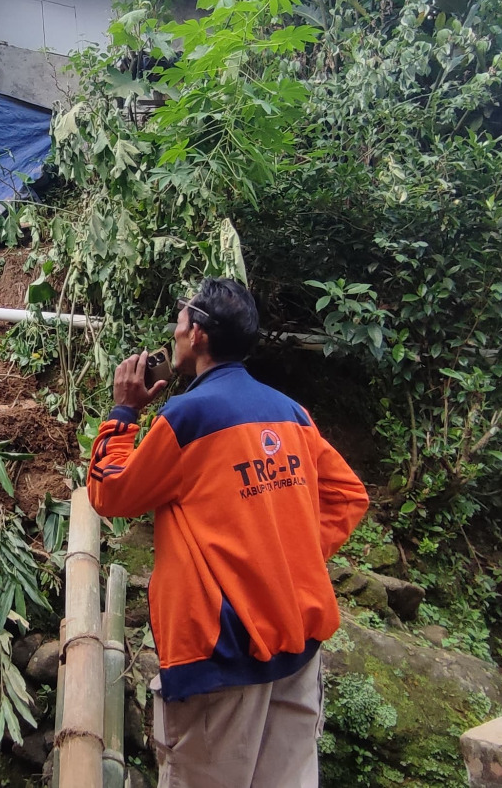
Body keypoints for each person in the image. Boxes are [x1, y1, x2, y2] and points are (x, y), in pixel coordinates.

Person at [87, 278, 369, 788]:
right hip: (298, 650)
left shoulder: (189, 417)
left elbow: (112, 493)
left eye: (178, 320)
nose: (172, 332)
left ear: (196, 334)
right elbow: (349, 498)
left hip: (221, 657)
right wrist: (285, 556)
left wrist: (124, 412)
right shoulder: (292, 414)